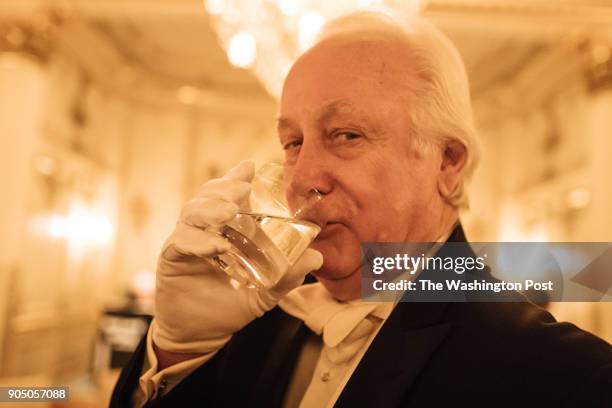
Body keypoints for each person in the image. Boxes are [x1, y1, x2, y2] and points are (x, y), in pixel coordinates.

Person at [111, 11, 612, 407]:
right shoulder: (245, 320)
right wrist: (180, 348)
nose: (301, 178)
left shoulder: (567, 376)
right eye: (292, 142)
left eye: (346, 135)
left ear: (448, 162)